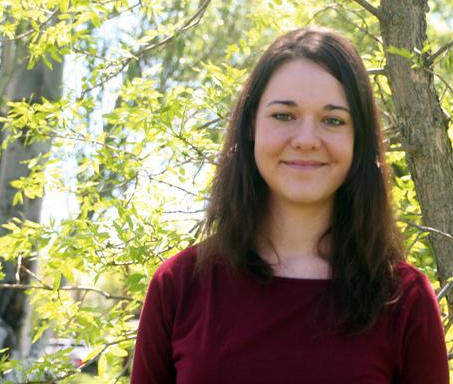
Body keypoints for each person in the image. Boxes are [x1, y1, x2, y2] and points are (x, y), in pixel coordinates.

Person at [130, 27, 449, 383]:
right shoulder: (178, 286)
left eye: (332, 120)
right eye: (284, 115)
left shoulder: (404, 301)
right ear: (251, 124)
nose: (306, 140)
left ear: (358, 139)